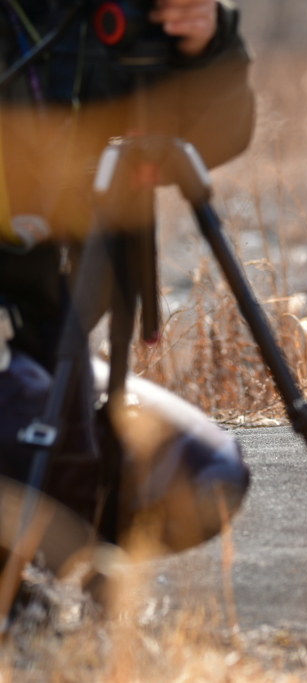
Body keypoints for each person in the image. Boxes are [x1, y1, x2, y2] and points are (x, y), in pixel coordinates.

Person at [0, 0, 255, 570]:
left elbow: (211, 138)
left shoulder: (107, 16)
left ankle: (44, 574)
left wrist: (204, 44)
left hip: (49, 337)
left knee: (201, 473)